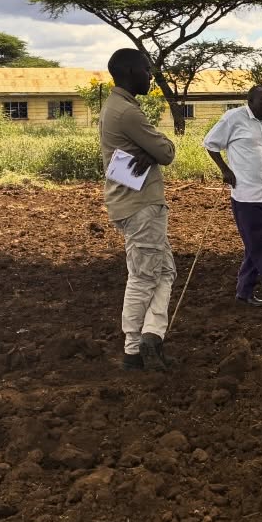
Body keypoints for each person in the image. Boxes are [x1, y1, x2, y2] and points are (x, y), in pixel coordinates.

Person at [98, 48, 177, 372]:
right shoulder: (128, 113)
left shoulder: (115, 107)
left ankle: (152, 335)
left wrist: (152, 150)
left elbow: (155, 152)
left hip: (134, 203)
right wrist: (156, 148)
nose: (150, 76)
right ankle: (133, 350)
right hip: (140, 204)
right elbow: (167, 152)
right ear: (130, 72)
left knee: (165, 271)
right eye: (146, 70)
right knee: (144, 275)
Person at [204, 85, 262, 307]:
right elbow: (210, 143)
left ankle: (244, 290)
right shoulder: (233, 118)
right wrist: (225, 170)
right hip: (246, 192)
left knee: (255, 243)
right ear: (250, 101)